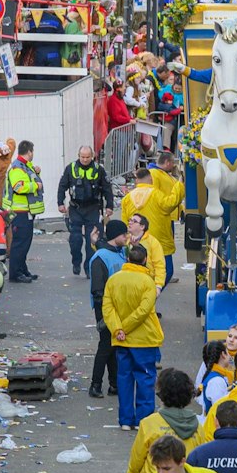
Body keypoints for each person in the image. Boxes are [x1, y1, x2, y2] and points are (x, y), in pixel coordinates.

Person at [104, 243, 163, 432]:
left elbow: (107, 308)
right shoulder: (148, 282)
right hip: (144, 339)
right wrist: (127, 327)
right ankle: (143, 420)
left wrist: (118, 329)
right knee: (145, 379)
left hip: (121, 340)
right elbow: (144, 311)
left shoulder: (113, 280)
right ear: (145, 260)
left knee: (124, 378)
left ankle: (125, 420)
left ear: (128, 258)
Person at [86, 218, 128, 399]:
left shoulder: (118, 252)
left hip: (116, 307)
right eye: (123, 234)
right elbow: (97, 289)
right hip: (105, 308)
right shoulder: (100, 258)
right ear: (115, 235)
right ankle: (95, 384)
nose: (126, 236)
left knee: (112, 346)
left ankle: (114, 384)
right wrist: (104, 313)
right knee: (106, 346)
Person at [59, 145, 112, 275]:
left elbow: (106, 188)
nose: (85, 159)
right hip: (76, 208)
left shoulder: (98, 169)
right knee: (75, 239)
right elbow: (62, 186)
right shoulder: (71, 168)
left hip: (93, 209)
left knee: (91, 241)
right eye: (82, 157)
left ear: (92, 156)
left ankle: (89, 268)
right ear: (79, 156)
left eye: (88, 157)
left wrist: (109, 206)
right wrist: (60, 203)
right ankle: (76, 261)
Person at [4, 139, 43, 284]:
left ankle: (22, 269)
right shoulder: (17, 168)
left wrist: (36, 171)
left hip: (24, 211)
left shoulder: (24, 166)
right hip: (19, 211)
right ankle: (16, 273)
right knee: (20, 243)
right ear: (30, 152)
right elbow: (18, 187)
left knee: (24, 243)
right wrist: (35, 186)